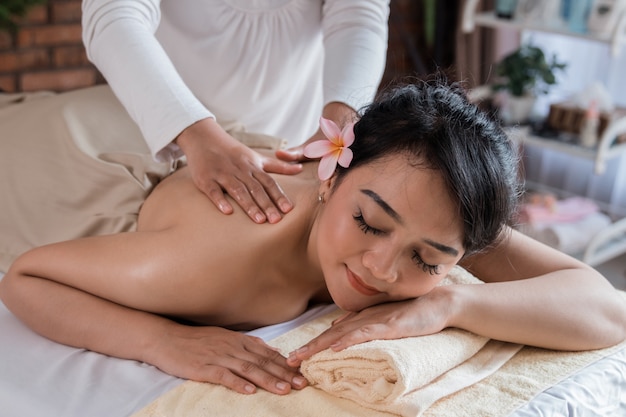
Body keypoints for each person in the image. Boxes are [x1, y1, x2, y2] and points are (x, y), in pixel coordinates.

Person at [1, 79, 625, 398]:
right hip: (54, 157)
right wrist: (164, 341)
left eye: (429, 259)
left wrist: (450, 302)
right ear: (329, 180)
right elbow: (24, 277)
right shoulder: (218, 263)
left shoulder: (425, 200)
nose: (382, 268)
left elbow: (607, 309)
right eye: (369, 224)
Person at [81, 0, 390, 224]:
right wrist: (194, 132)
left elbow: (358, 16)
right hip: (170, 138)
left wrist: (342, 119)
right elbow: (113, 14)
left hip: (296, 144)